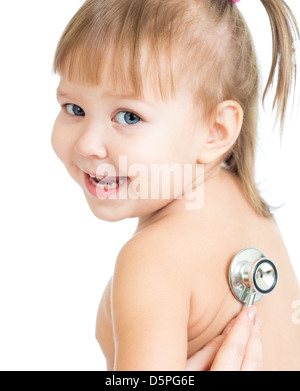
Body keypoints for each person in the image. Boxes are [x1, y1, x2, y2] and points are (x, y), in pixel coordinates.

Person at [51, 0, 300, 370]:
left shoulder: (151, 260)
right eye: (74, 108)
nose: (87, 143)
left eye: (129, 116)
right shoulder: (249, 211)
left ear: (216, 131)